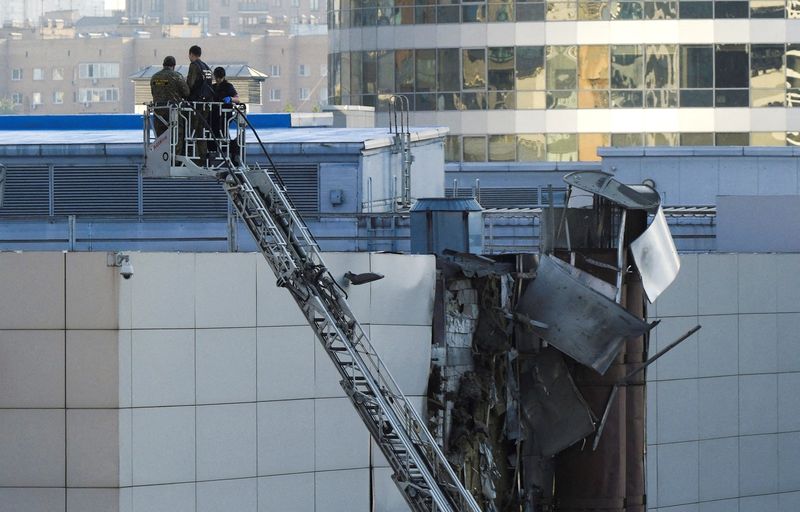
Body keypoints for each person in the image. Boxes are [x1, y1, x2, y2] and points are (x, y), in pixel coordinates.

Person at [149, 55, 189, 139]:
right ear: (174, 66)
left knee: (160, 138)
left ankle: (162, 152)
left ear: (163, 65)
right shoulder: (177, 76)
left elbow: (153, 93)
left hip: (158, 111)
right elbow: (186, 93)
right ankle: (175, 152)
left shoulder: (154, 77)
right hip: (173, 112)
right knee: (176, 137)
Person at [186, 45, 214, 162]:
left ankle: (192, 157)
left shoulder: (194, 66)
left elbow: (190, 84)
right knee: (201, 131)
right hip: (206, 103)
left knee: (190, 130)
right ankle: (203, 156)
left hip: (196, 103)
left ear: (191, 54)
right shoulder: (207, 67)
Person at [209, 66, 241, 164]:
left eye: (220, 78)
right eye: (217, 77)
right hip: (213, 116)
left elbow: (237, 99)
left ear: (223, 77)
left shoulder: (228, 86)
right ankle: (212, 153)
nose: (218, 80)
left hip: (224, 116)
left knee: (223, 135)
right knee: (211, 135)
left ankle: (232, 153)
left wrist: (230, 99)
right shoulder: (213, 87)